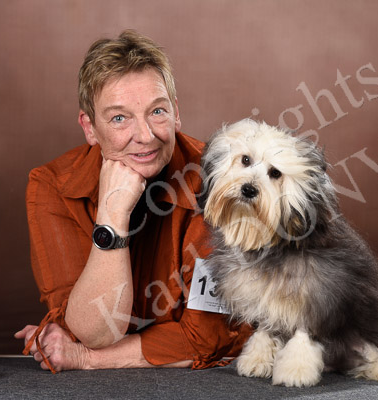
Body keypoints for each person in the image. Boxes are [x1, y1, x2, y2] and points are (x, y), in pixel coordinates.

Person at [15, 30, 251, 372]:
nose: (145, 136)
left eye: (157, 111)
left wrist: (85, 357)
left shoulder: (222, 182)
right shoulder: (52, 185)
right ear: (89, 127)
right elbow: (91, 328)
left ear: (176, 113)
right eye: (119, 118)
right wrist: (112, 217)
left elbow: (206, 338)